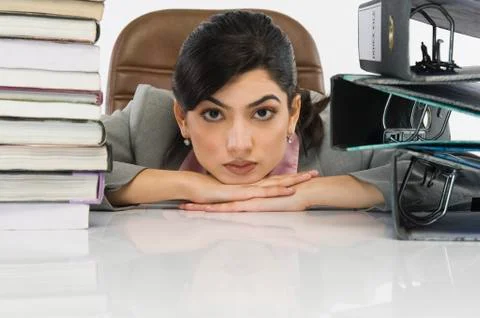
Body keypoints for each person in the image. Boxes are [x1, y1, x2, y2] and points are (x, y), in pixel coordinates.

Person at [96, 10, 478, 212]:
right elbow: (52, 167)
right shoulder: (147, 118)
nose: (240, 145)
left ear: (293, 112)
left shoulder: (345, 134)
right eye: (213, 114)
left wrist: (310, 193)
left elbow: (461, 179)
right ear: (182, 118)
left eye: (262, 113)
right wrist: (192, 185)